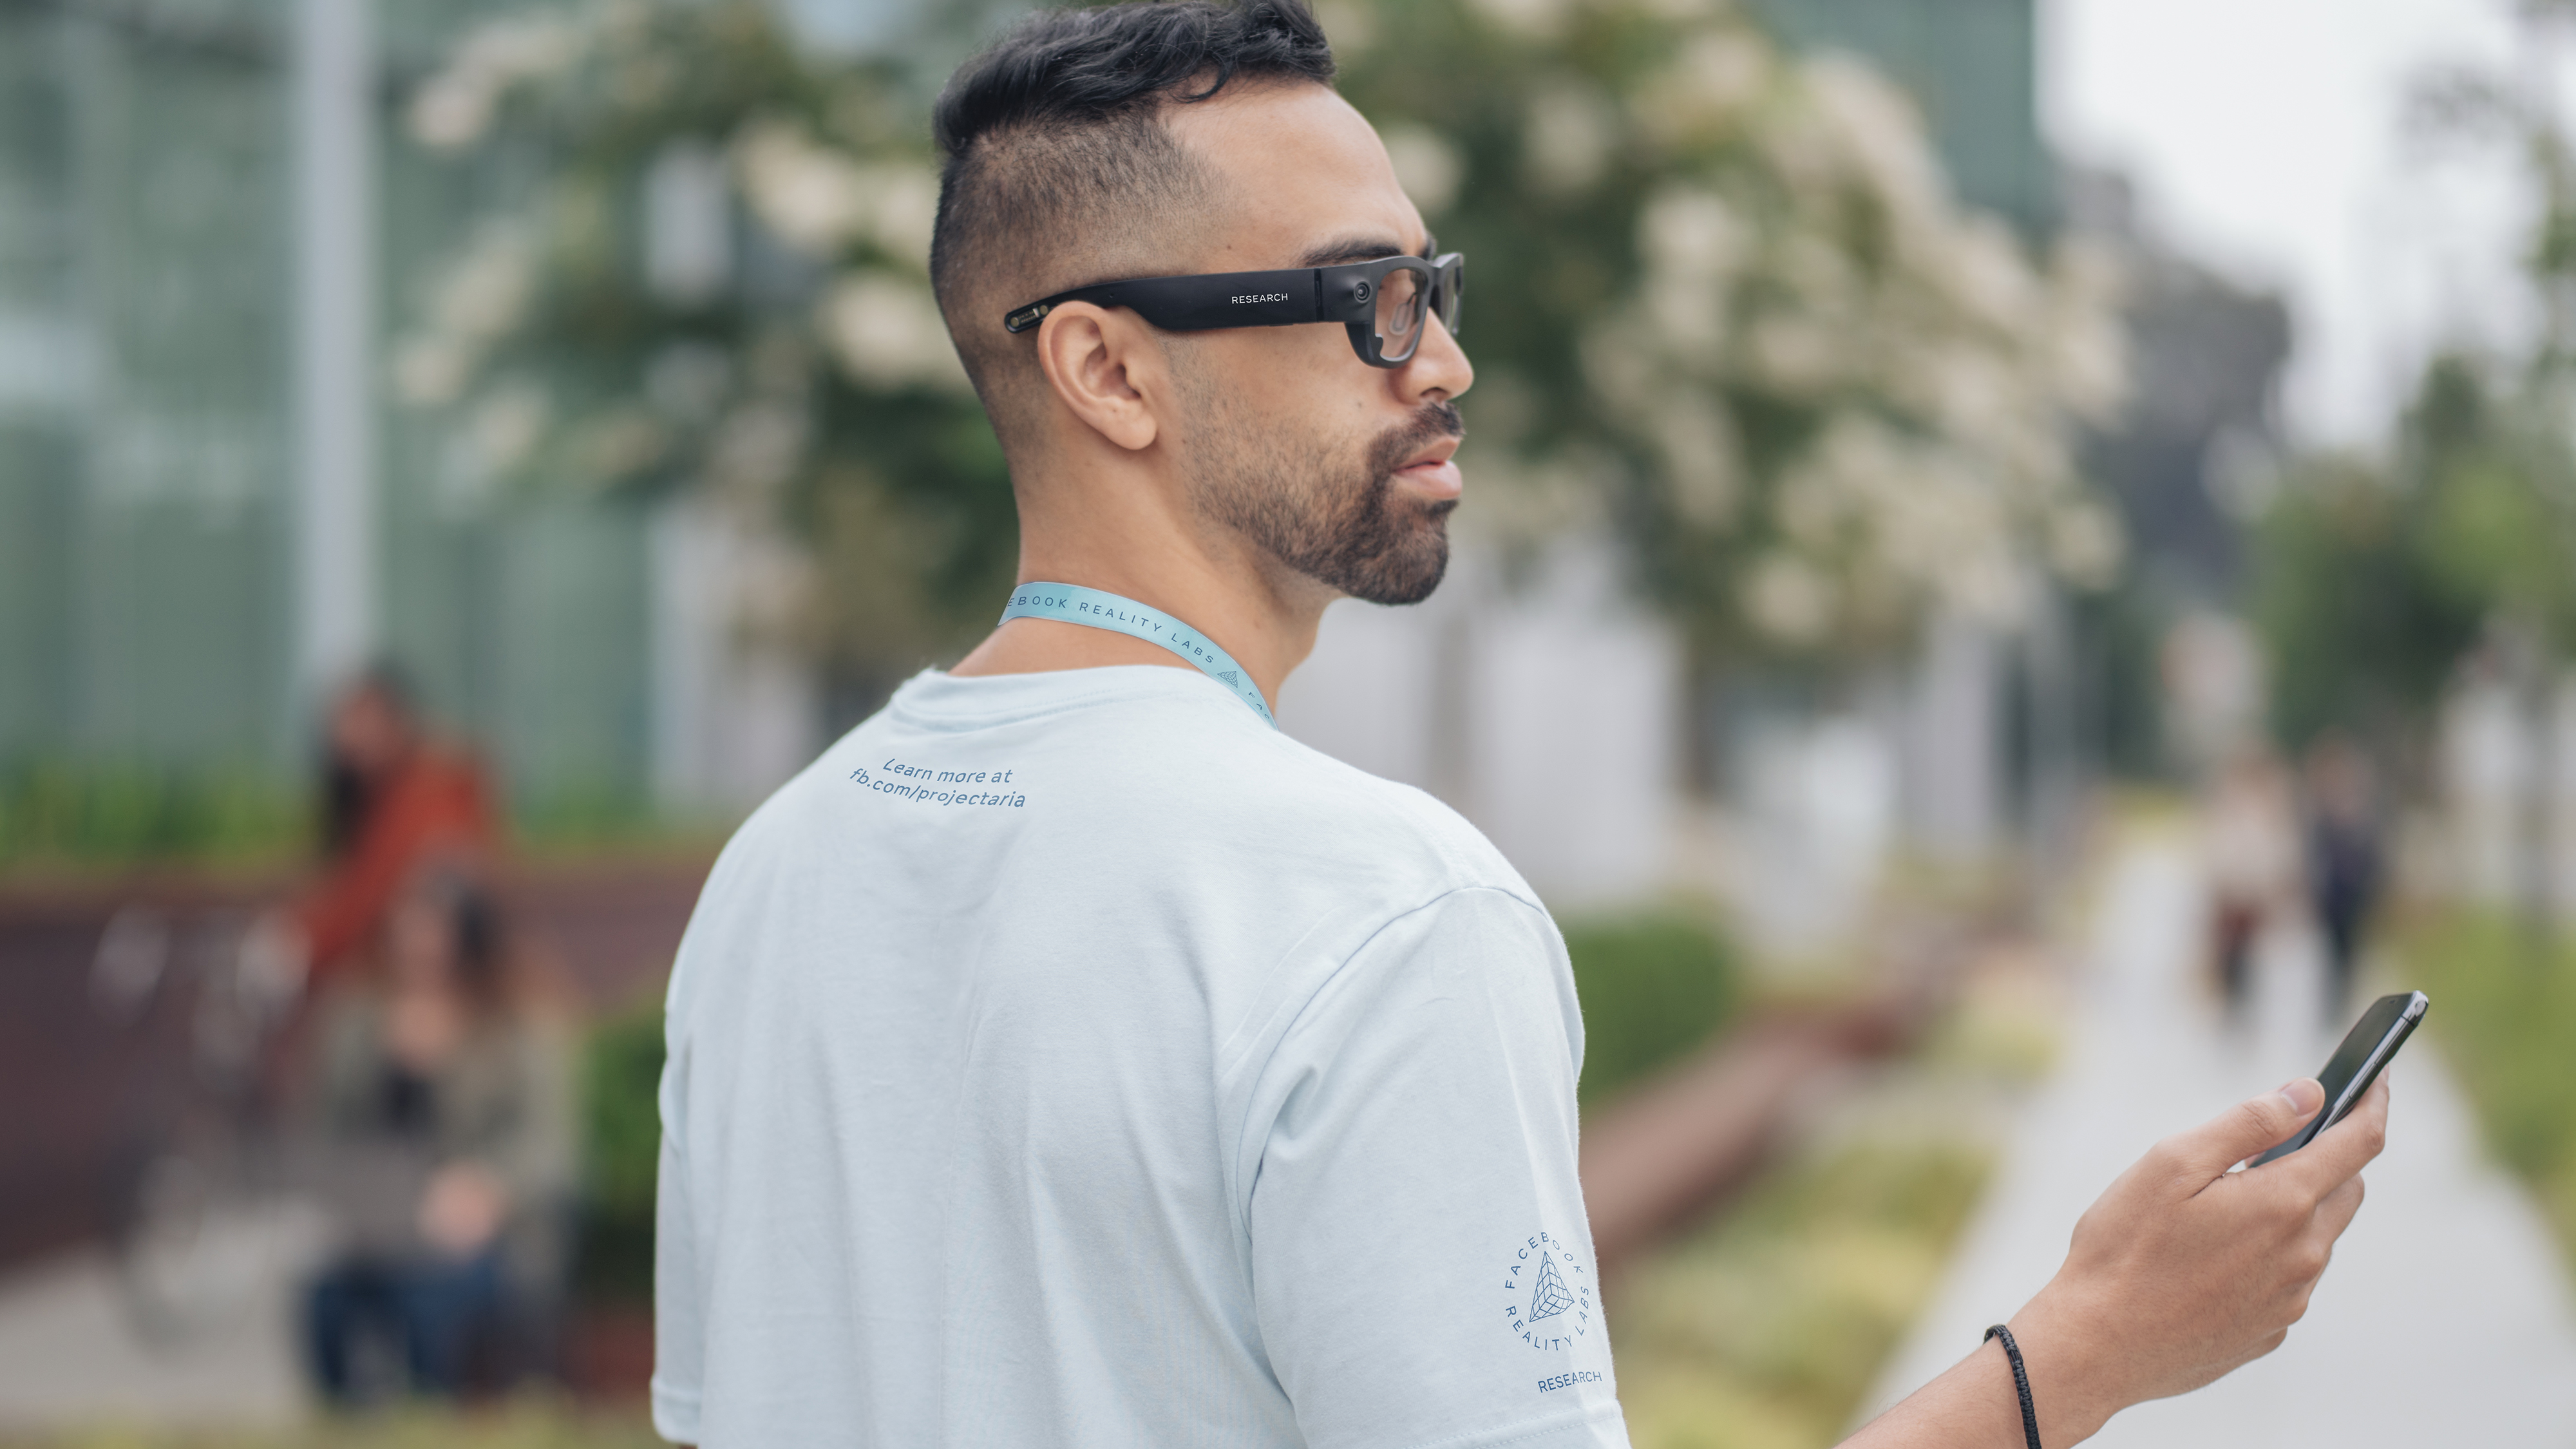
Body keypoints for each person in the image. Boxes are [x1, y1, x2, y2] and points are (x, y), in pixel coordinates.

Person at [649, 5, 2388, 1446]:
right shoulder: (1380, 912)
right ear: (1108, 371)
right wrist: (2080, 1351)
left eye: (1434, 287)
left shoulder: (773, 877)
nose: (1441, 363)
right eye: (1361, 300)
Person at [301, 867, 575, 1403]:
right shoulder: (357, 1019)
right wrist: (383, 1056)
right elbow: (324, 1131)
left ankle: (435, 1417)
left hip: (484, 1231)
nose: (418, 949)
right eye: (407, 931)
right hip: (379, 1226)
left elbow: (550, 1146)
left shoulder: (518, 1023)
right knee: (324, 1298)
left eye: (433, 933)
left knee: (430, 1298)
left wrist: (487, 1191)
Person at [267, 665, 499, 991]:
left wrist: (306, 939)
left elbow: (375, 890)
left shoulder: (435, 788)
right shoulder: (367, 798)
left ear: (397, 721)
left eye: (364, 723)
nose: (351, 744)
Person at [2202, 746, 2298, 1026]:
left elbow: (2279, 854)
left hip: (2257, 896)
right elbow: (2218, 850)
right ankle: (2232, 1004)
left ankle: (2246, 1005)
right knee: (2230, 955)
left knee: (2254, 957)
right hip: (2233, 893)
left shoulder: (2272, 808)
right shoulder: (2228, 805)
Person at [2304, 734, 2385, 1025]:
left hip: (2353, 894)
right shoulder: (2320, 812)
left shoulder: (2359, 809)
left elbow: (2371, 853)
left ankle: (2342, 1002)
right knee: (2329, 952)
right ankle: (2330, 1005)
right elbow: (2314, 853)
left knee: (2349, 953)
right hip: (2330, 895)